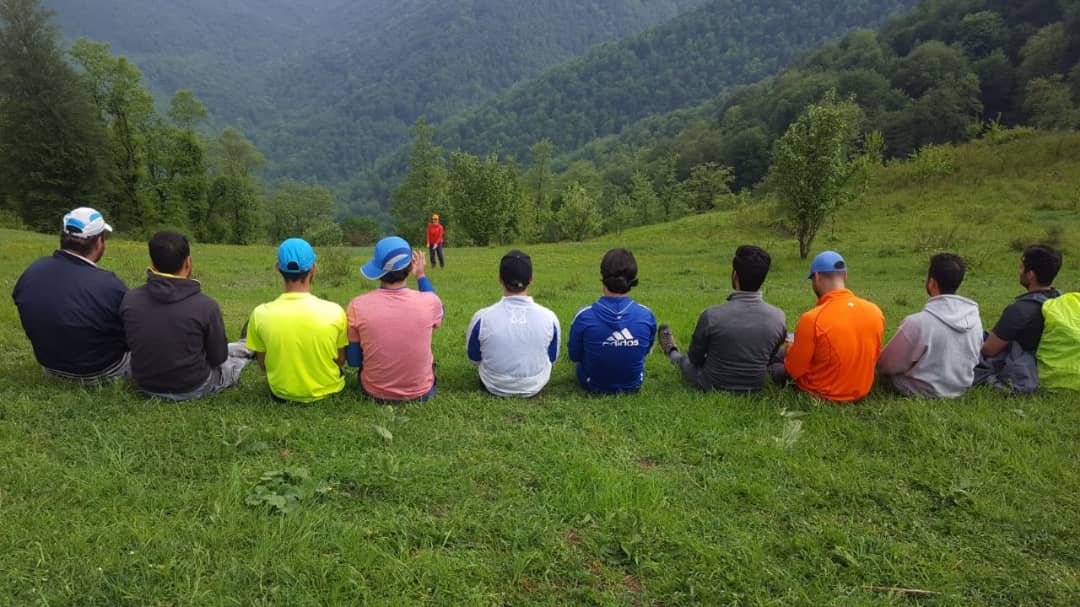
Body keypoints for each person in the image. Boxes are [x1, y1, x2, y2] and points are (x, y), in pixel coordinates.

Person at [120, 231, 253, 400]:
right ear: (188, 262)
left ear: (153, 263)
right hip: (193, 386)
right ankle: (248, 346)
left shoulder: (130, 299)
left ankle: (244, 345)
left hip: (145, 384)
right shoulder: (206, 306)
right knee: (231, 364)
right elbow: (218, 358)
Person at [12, 207, 130, 384]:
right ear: (99, 241)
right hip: (102, 371)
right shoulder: (109, 285)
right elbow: (130, 332)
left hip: (50, 367)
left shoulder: (33, 270)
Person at [657, 245, 786, 393]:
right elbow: (769, 357)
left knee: (684, 360)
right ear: (763, 278)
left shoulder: (712, 315)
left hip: (712, 383)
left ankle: (672, 351)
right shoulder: (779, 317)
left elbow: (695, 358)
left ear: (735, 275)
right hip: (756, 384)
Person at [771, 250, 885, 402]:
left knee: (775, 366)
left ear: (817, 277)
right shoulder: (875, 311)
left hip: (823, 392)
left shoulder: (812, 319)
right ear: (845, 275)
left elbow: (793, 370)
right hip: (862, 389)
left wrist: (791, 349)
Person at [246, 238, 348, 403]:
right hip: (329, 390)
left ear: (277, 267)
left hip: (280, 392)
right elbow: (341, 360)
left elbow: (263, 365)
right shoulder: (335, 311)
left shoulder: (260, 314)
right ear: (313, 268)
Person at [346, 236, 443, 402]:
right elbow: (441, 311)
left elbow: (354, 361)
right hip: (422, 392)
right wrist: (421, 276)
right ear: (411, 266)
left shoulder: (357, 305)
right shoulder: (430, 302)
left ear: (378, 269)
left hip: (374, 392)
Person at [877, 253, 983, 398]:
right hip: (960, 387)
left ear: (932, 282)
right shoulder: (974, 318)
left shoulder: (917, 323)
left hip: (922, 390)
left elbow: (886, 365)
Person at [467, 250, 560, 397]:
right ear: (531, 278)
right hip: (535, 385)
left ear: (500, 279)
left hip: (493, 384)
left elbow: (474, 359)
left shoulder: (482, 317)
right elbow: (552, 358)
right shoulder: (550, 317)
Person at [973, 244, 1062, 392]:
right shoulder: (1061, 301)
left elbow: (989, 350)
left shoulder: (1020, 310)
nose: (1019, 271)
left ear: (1031, 274)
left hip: (1023, 363)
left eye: (1021, 267)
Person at [568, 248, 656, 393]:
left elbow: (574, 355)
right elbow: (645, 351)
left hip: (592, 384)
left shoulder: (583, 315)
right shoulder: (647, 315)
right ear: (633, 278)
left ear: (603, 276)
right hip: (633, 383)